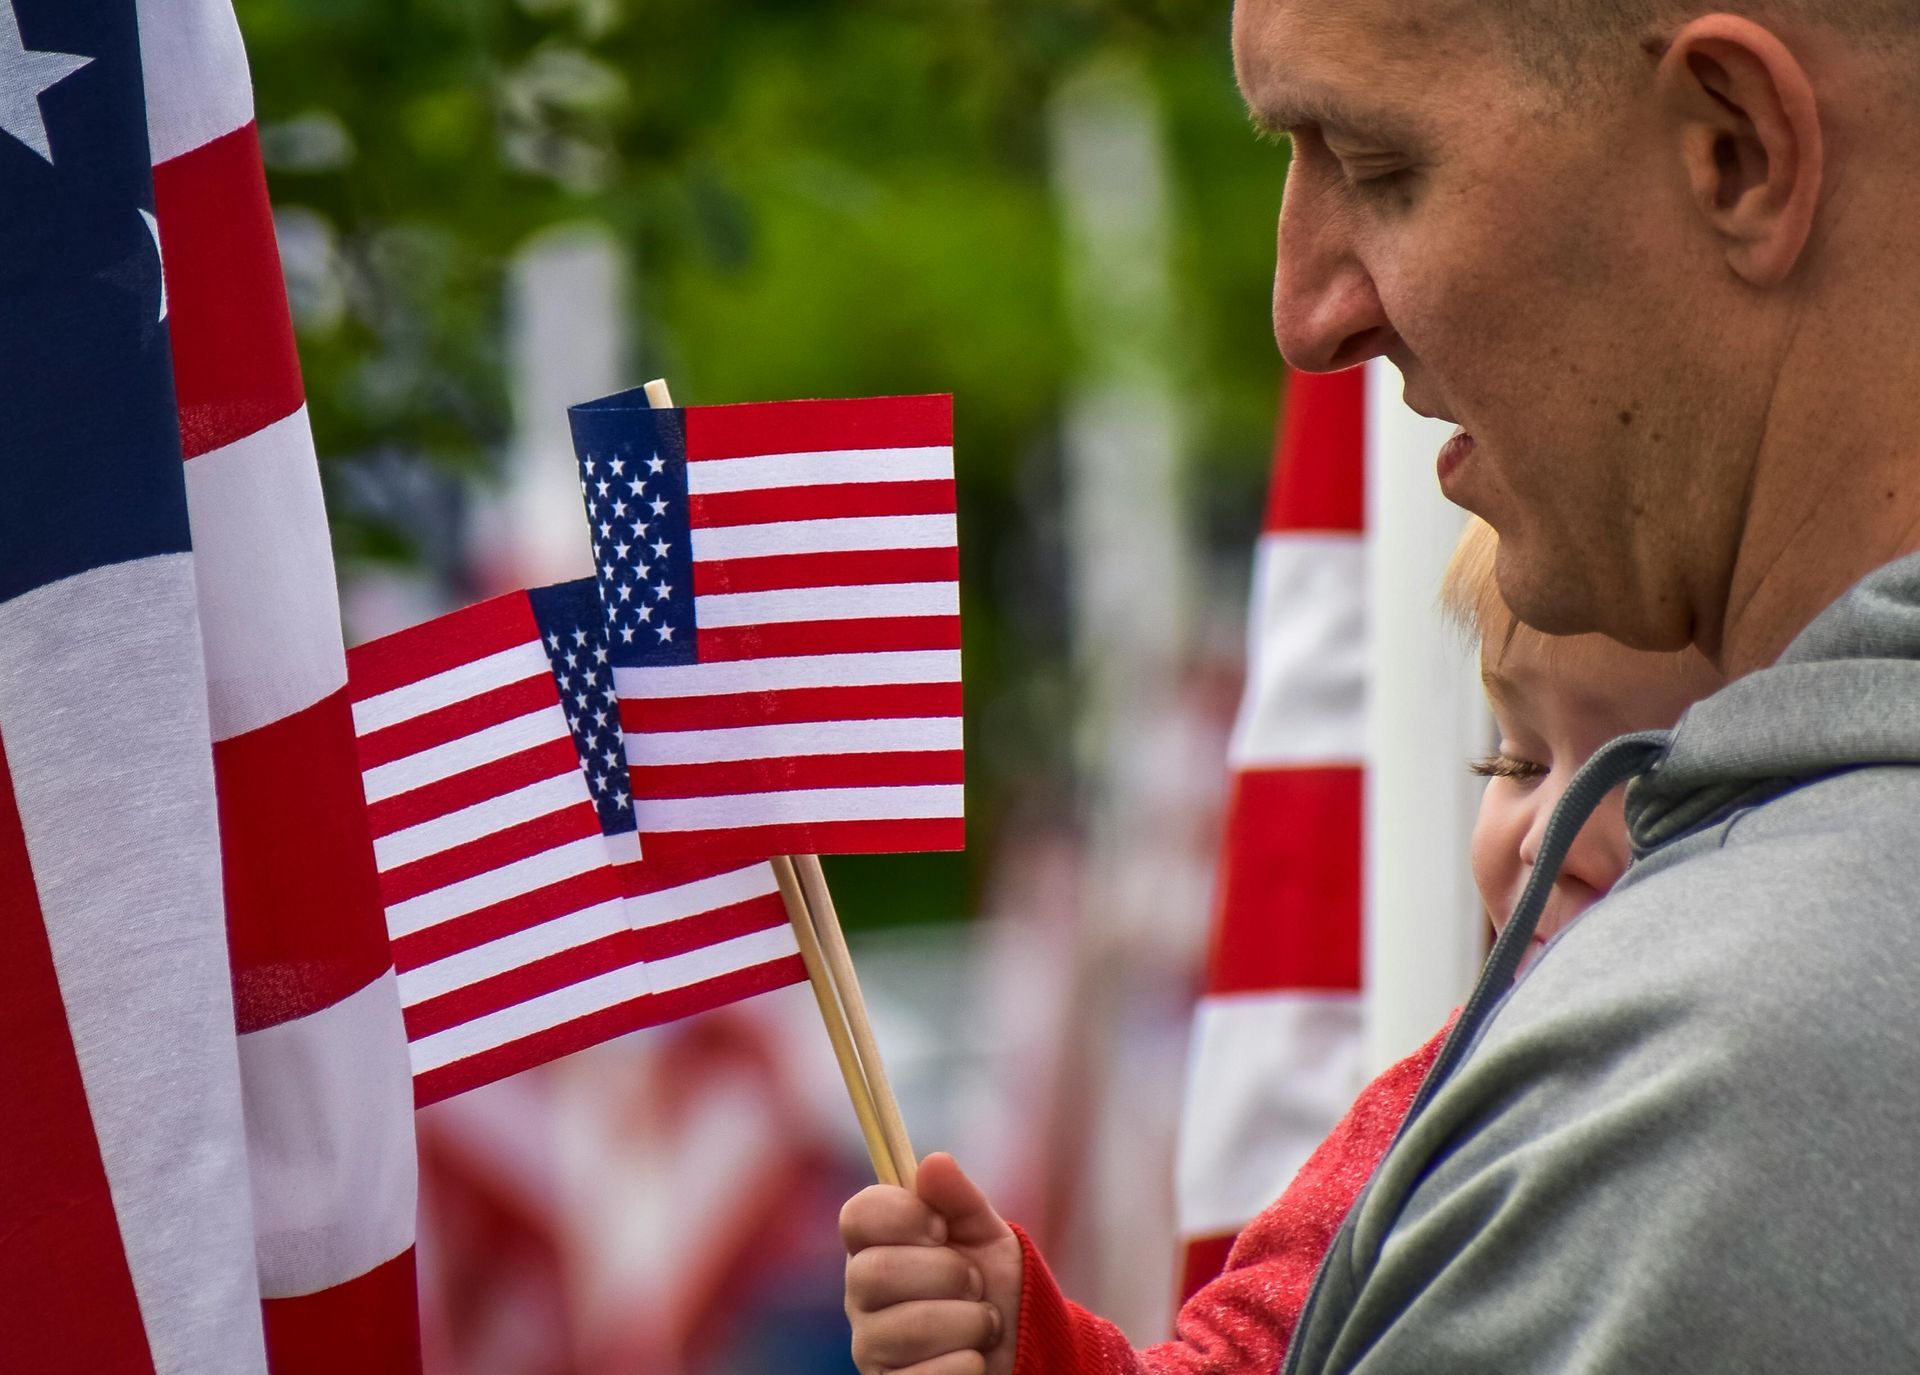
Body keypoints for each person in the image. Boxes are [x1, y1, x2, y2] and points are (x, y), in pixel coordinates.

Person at [852, 0, 1920, 1365]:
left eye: (1378, 166)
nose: (1305, 316)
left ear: (1735, 151)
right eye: (1512, 756)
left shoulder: (1702, 1101)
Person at [837, 517, 1719, 1375]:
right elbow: (1247, 1359)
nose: (1538, 835)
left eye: (1635, 770)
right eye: (1515, 762)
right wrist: (1027, 1349)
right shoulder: (1424, 1119)